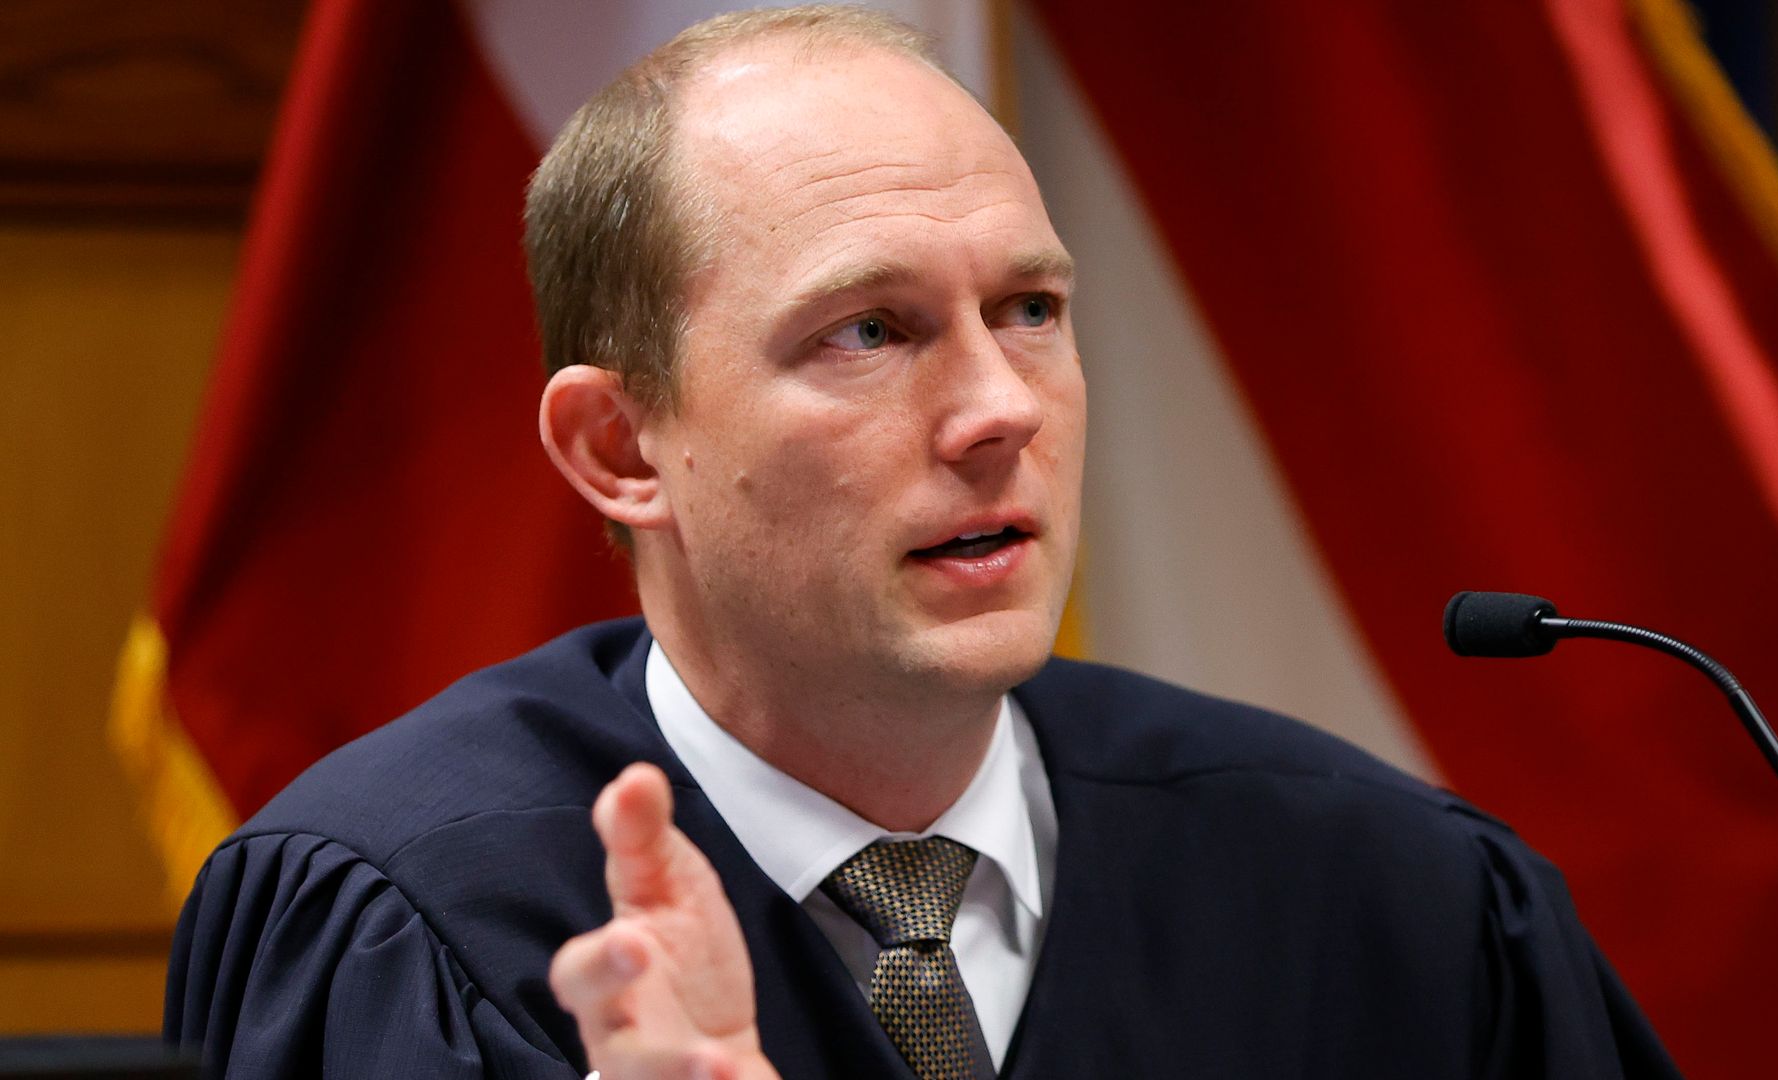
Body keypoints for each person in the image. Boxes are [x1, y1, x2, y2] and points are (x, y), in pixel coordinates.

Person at [165, 7, 1683, 1079]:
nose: (999, 409)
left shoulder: (1389, 900)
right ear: (623, 449)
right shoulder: (411, 926)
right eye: (870, 331)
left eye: (1030, 309)